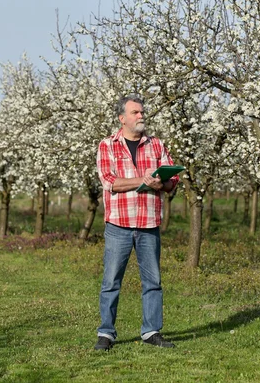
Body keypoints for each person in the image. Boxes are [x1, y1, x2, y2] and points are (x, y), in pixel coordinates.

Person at [94, 94, 179, 351]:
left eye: (142, 112)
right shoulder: (108, 145)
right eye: (135, 113)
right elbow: (110, 181)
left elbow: (171, 179)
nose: (141, 116)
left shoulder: (156, 145)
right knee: (111, 282)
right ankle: (106, 333)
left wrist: (161, 182)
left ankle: (151, 331)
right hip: (119, 225)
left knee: (153, 281)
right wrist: (143, 181)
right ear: (122, 118)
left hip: (149, 224)